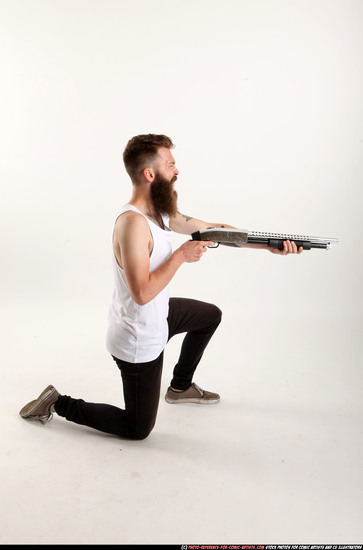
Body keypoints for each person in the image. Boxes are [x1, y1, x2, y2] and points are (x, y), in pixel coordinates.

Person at [19, 134, 303, 440]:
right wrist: (181, 256)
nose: (177, 171)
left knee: (209, 315)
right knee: (137, 429)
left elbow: (214, 230)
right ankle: (56, 403)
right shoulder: (133, 224)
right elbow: (141, 294)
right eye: (170, 165)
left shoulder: (162, 213)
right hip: (138, 337)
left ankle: (180, 387)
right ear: (150, 174)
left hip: (160, 315)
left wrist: (269, 246)